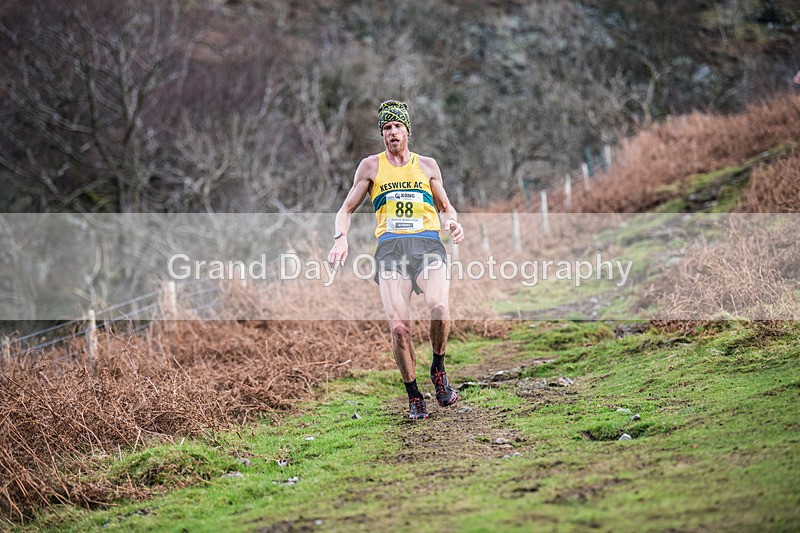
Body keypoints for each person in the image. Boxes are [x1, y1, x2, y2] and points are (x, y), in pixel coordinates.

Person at [327, 100, 465, 420]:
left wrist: (452, 222)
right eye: (386, 128)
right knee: (400, 328)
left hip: (428, 244)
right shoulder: (370, 167)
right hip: (390, 249)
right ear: (382, 134)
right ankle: (414, 395)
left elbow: (446, 207)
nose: (391, 132)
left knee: (440, 307)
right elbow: (345, 209)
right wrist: (341, 238)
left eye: (397, 126)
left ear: (407, 131)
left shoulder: (428, 165)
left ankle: (439, 369)